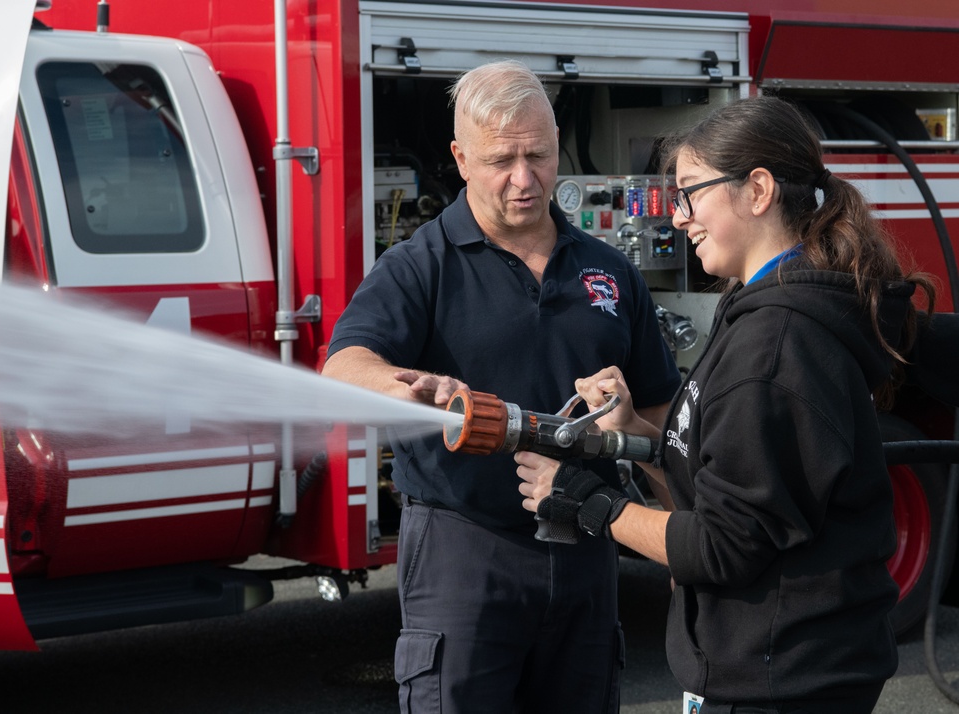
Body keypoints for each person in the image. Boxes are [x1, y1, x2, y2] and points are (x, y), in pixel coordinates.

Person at [516, 95, 936, 714]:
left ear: (758, 189)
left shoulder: (775, 346)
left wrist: (586, 501)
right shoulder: (762, 315)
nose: (679, 217)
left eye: (689, 192)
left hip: (778, 681)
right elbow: (724, 487)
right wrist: (636, 434)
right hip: (780, 670)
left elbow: (722, 546)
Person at [321, 59, 680, 713]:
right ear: (460, 157)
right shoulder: (418, 267)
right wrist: (407, 394)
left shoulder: (609, 272)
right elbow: (345, 365)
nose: (525, 178)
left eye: (539, 155)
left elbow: (658, 412)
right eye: (501, 160)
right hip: (465, 553)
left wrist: (688, 532)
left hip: (588, 544)